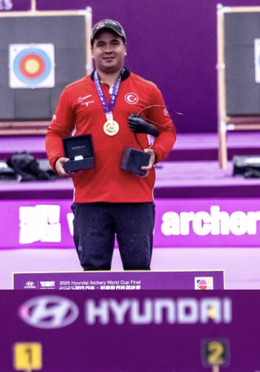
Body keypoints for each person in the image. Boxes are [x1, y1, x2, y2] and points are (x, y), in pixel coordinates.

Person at [45, 19, 177, 271]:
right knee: (93, 273)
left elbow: (167, 130)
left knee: (139, 272)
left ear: (125, 48)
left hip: (136, 197)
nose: (108, 49)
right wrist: (57, 159)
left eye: (114, 43)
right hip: (89, 199)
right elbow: (56, 132)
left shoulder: (147, 89)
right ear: (92, 51)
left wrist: (155, 153)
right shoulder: (73, 92)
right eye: (101, 44)